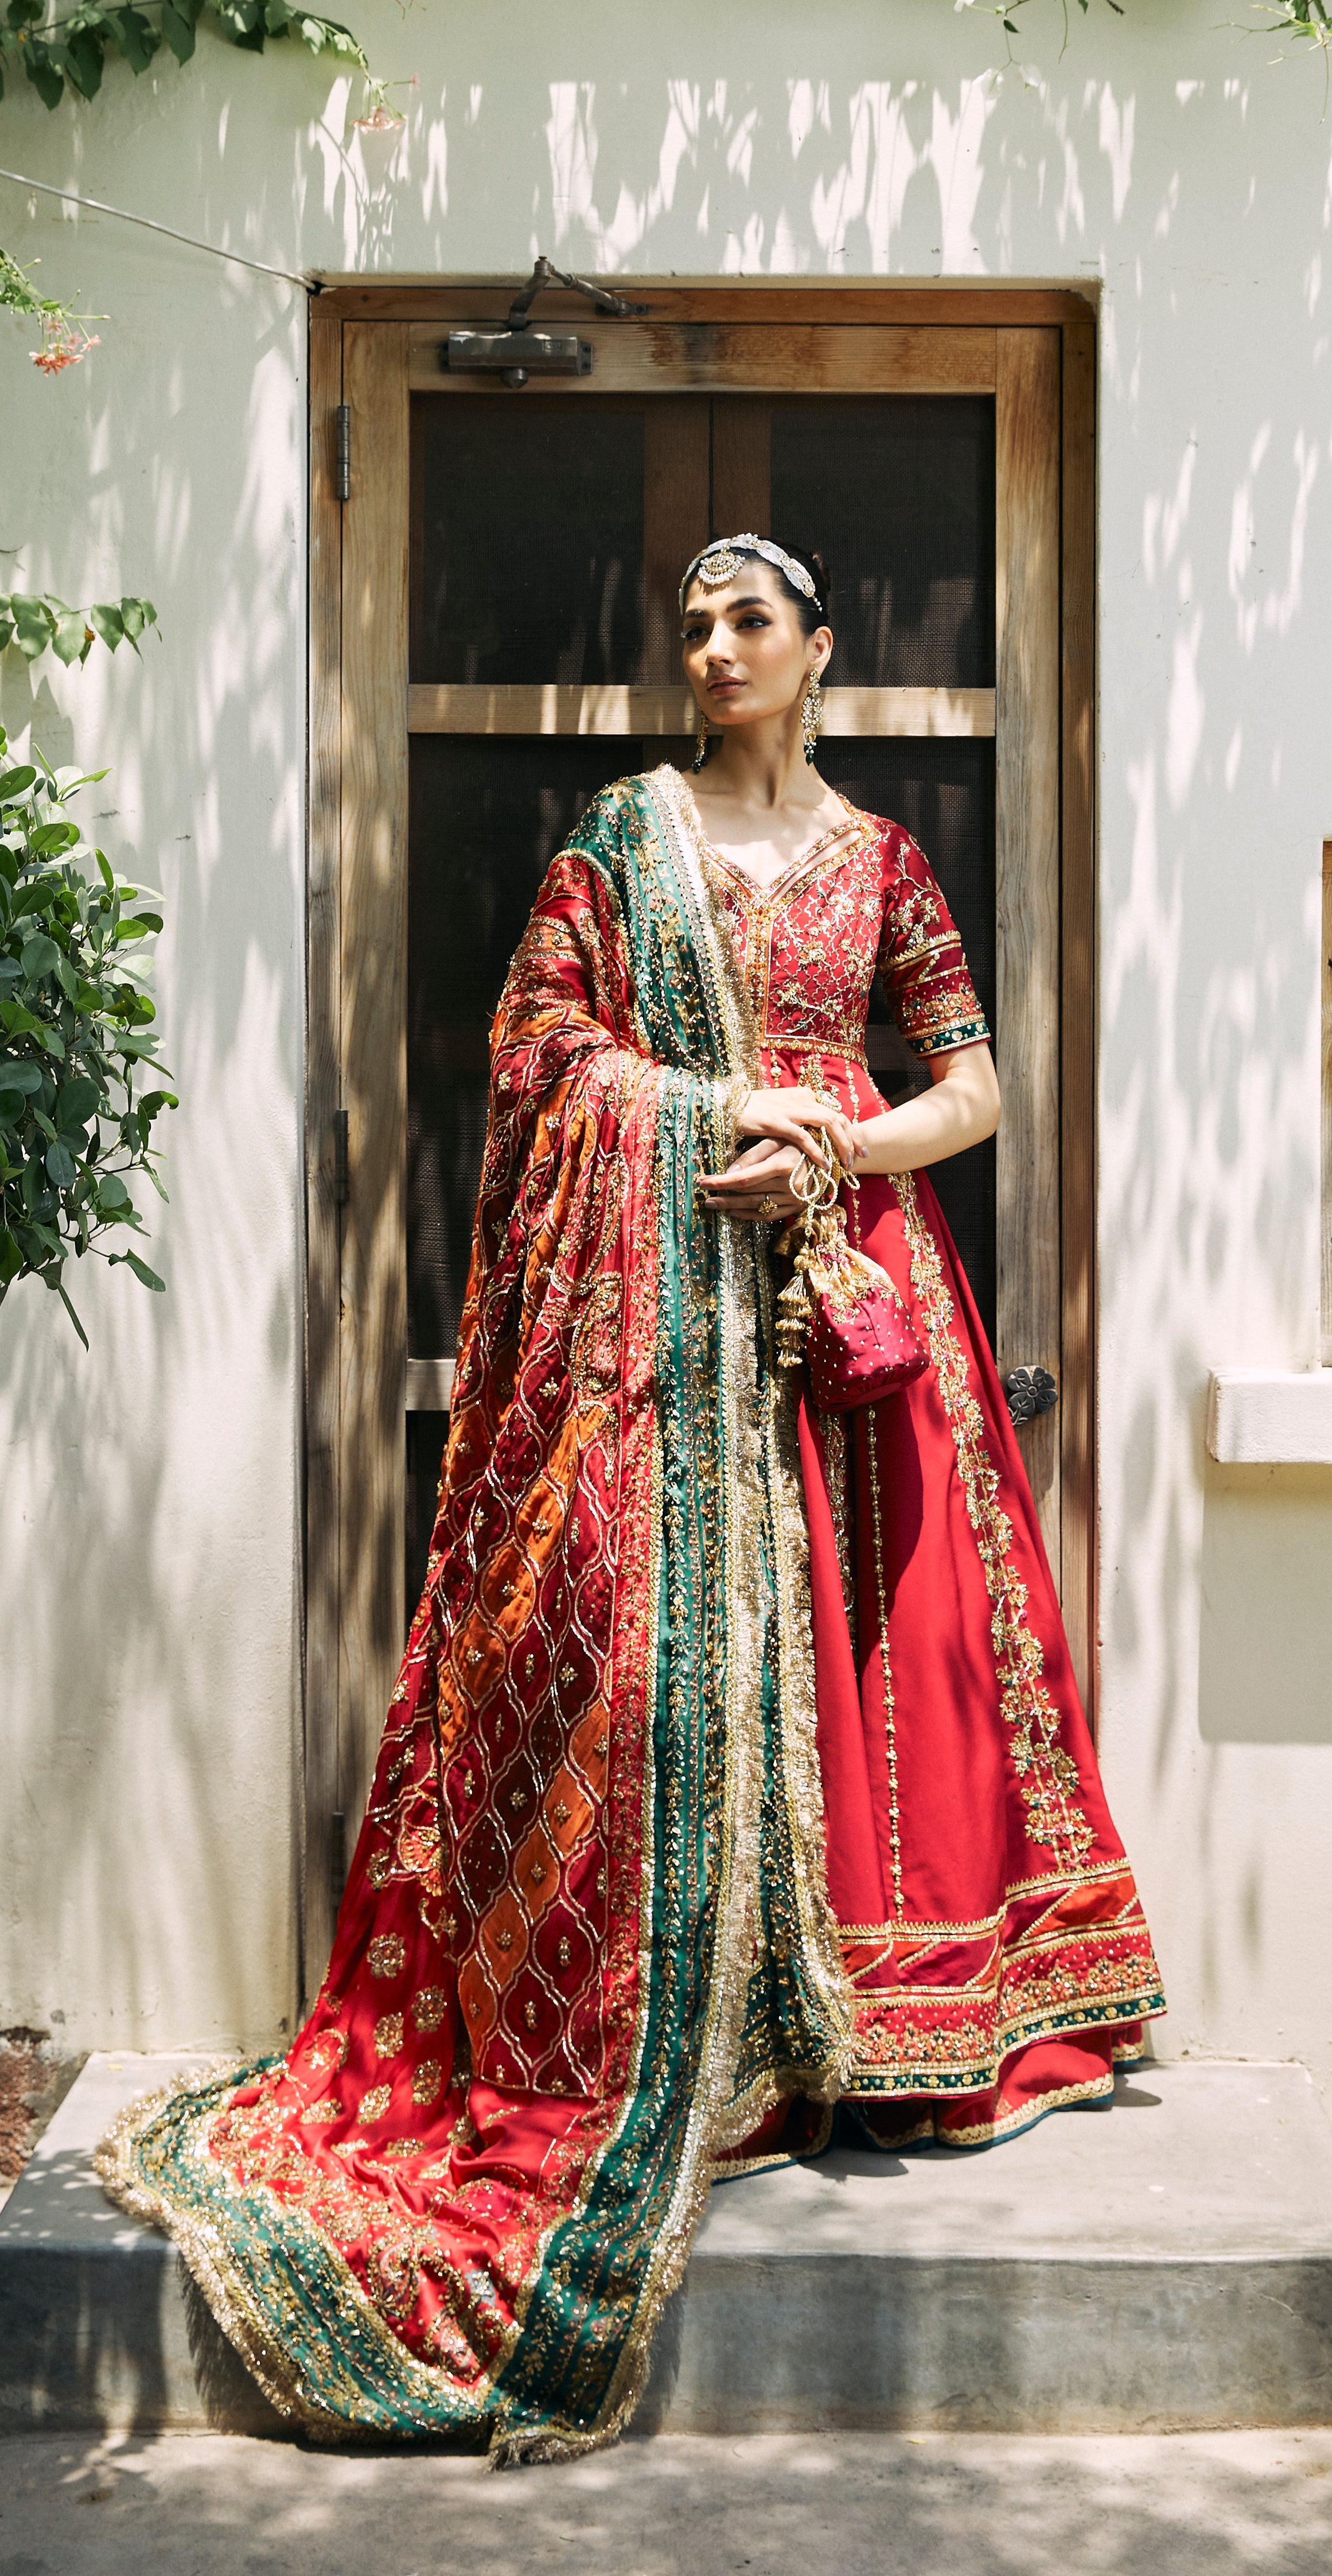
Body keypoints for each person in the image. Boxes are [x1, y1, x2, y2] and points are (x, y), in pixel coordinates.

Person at [99, 532, 1164, 2462]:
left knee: (892, 1666)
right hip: (658, 1338)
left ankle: (911, 2037)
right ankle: (723, 2043)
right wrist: (699, 1125)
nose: (711, 645)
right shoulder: (621, 836)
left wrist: (833, 1138)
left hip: (859, 1307)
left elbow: (975, 1089)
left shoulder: (881, 860)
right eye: (691, 621)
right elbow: (538, 1050)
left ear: (822, 648)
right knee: (658, 1680)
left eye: (747, 618)